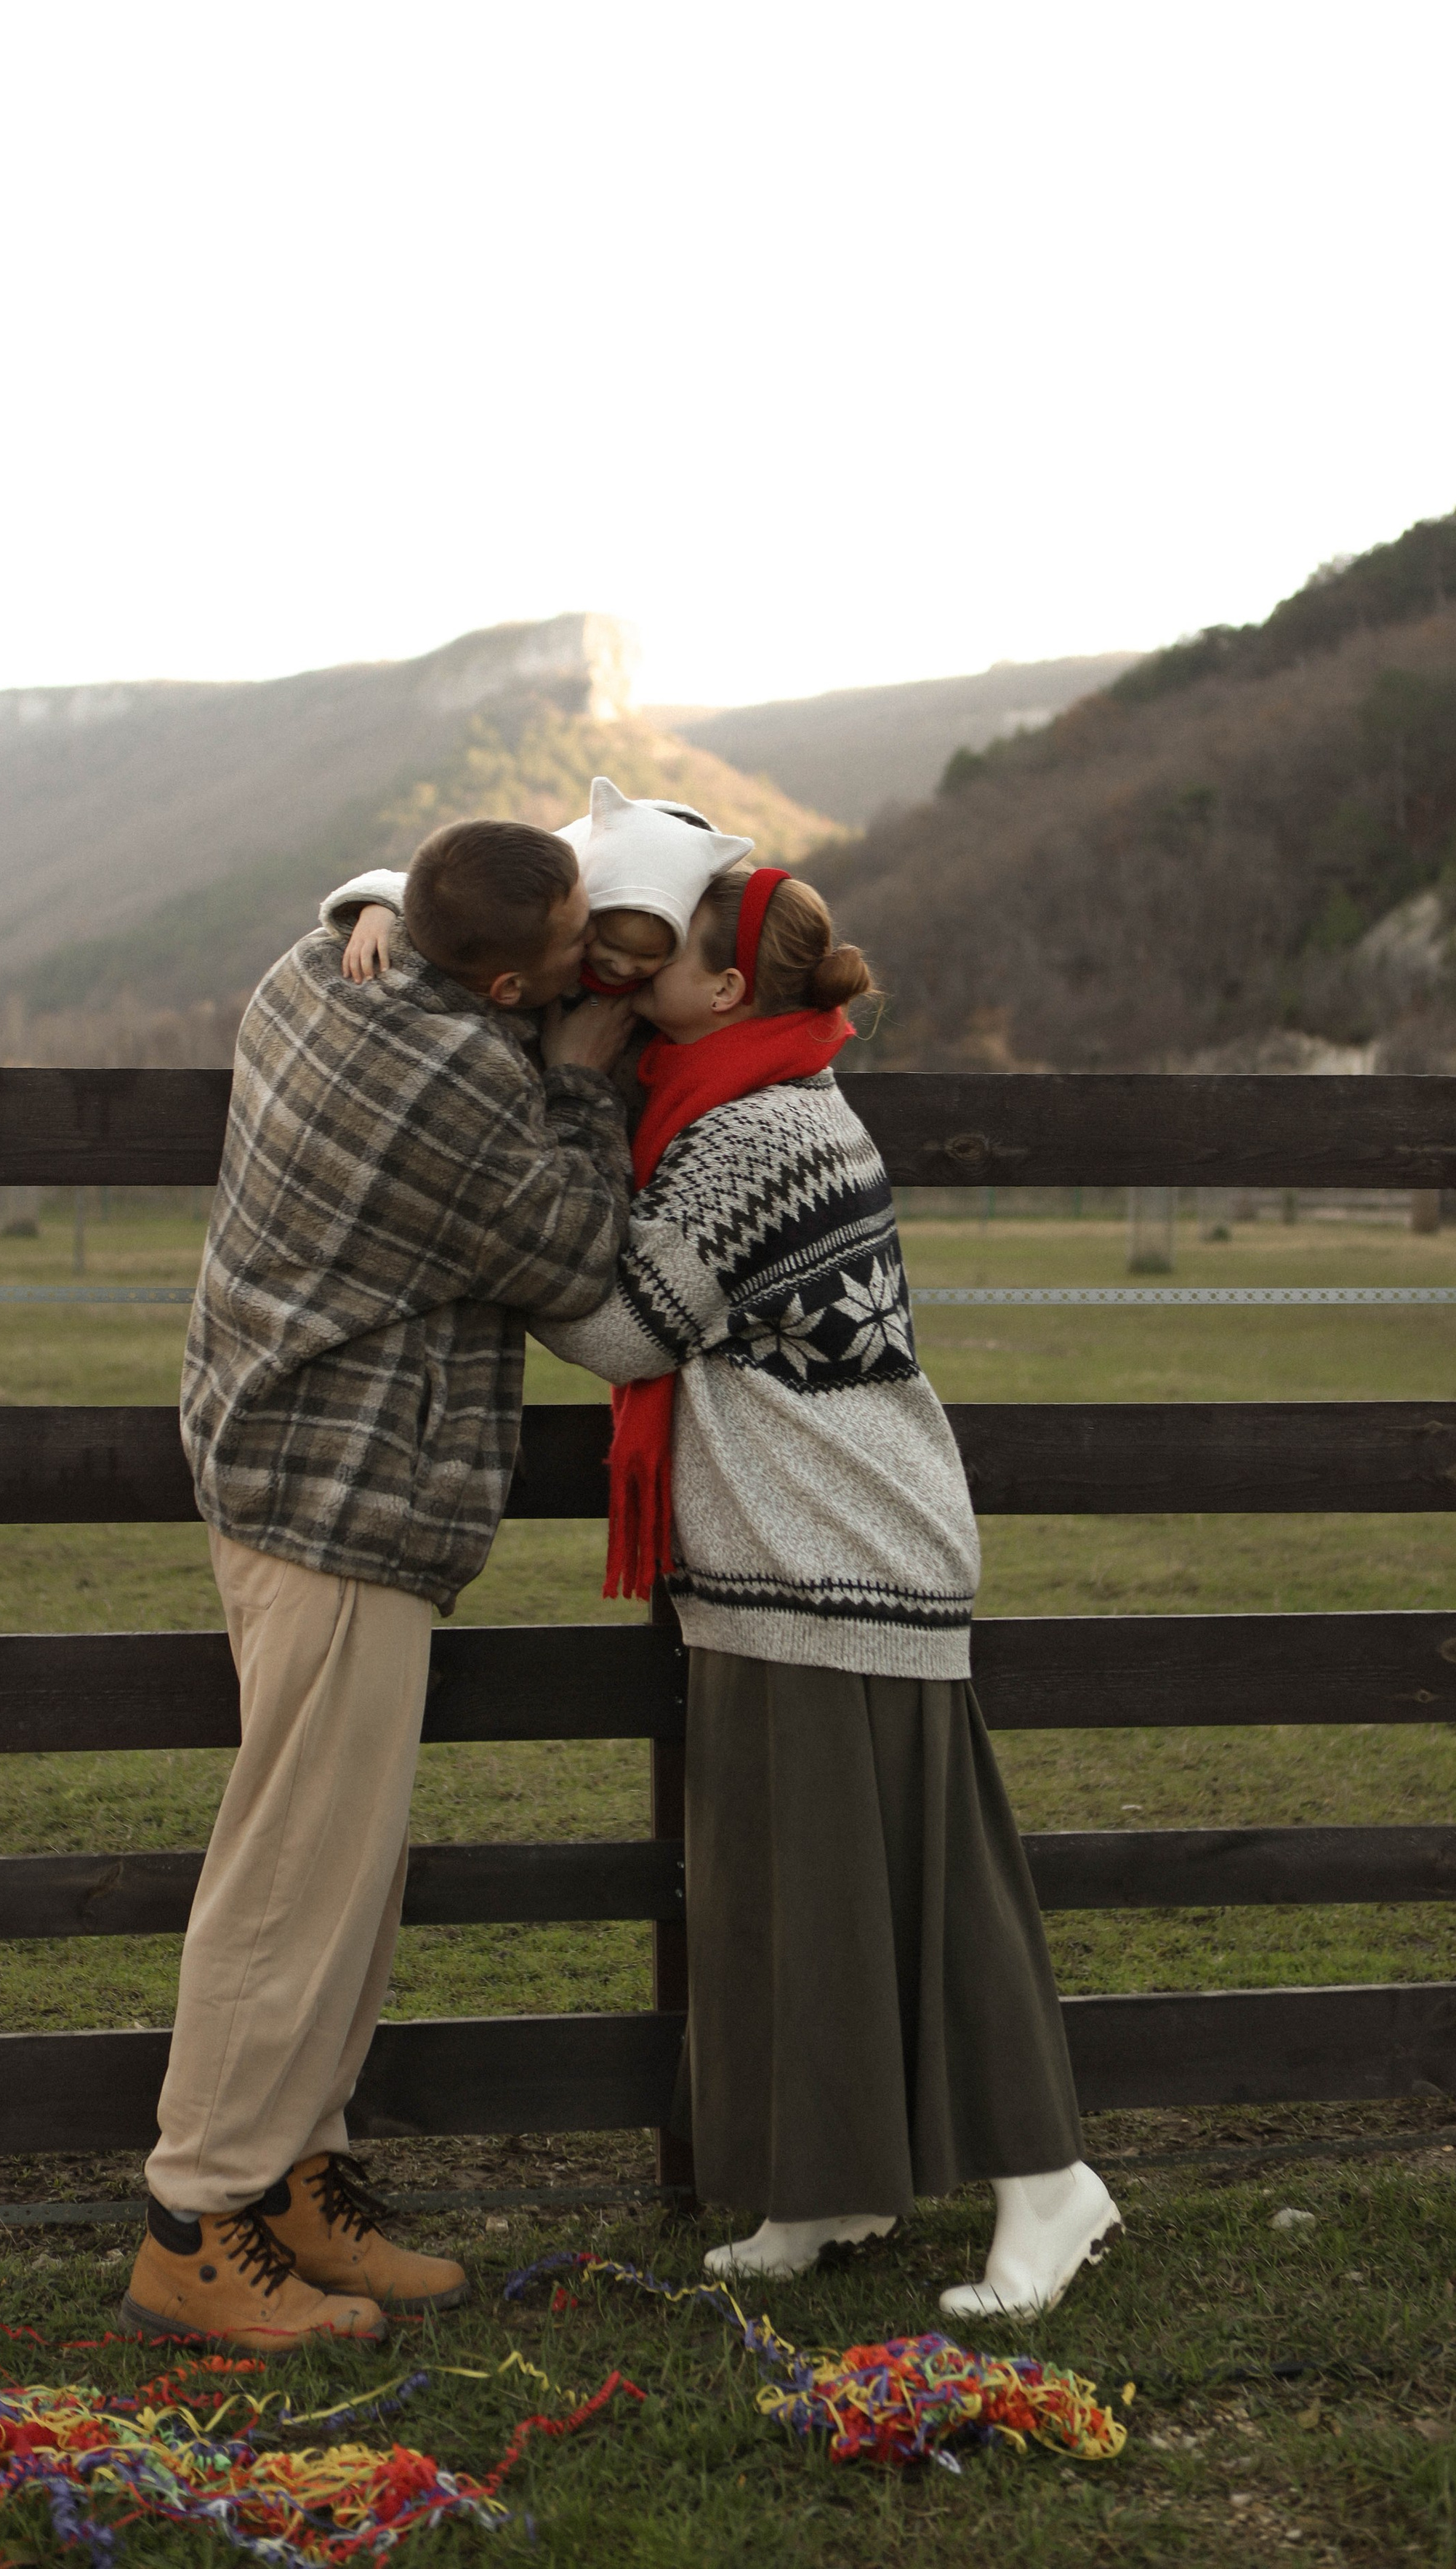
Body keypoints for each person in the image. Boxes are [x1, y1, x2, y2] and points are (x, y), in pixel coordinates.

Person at [530, 864, 1119, 2317]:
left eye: (653, 958)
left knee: (924, 1882)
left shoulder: (759, 1133)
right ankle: (828, 2181)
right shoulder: (732, 1102)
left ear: (725, 990)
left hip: (846, 1555)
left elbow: (620, 1334)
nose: (625, 977)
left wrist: (515, 1184)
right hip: (779, 1555)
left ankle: (1049, 2186)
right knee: (788, 1887)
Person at [121, 817, 635, 2352]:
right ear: (494, 984)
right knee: (294, 1876)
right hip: (346, 1503)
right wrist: (587, 1072)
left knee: (341, 1868)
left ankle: (293, 2177)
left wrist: (367, 908)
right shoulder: (473, 1091)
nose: (573, 982)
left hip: (274, 1469)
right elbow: (580, 1250)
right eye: (556, 969)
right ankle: (194, 2219)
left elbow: (370, 894)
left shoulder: (305, 973)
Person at [326, 776, 752, 999]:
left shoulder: (671, 981)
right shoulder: (548, 906)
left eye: (648, 955)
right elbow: (442, 894)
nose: (623, 967)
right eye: (602, 938)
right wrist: (378, 906)